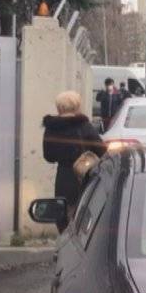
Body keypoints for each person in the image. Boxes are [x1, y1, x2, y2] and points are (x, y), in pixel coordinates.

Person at [42, 91, 105, 232]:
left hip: (63, 177)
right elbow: (102, 151)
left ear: (59, 108)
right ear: (77, 106)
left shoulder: (51, 128)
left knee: (63, 211)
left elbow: (49, 156)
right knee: (83, 210)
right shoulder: (84, 126)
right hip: (85, 175)